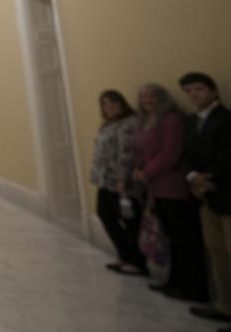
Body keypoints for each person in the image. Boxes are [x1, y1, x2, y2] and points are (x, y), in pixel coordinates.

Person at [132, 82, 209, 303]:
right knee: (172, 238)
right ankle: (176, 281)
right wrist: (137, 169)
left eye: (152, 96)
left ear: (162, 97)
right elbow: (140, 149)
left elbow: (171, 153)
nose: (148, 100)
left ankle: (194, 288)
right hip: (155, 188)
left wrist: (146, 171)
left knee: (186, 240)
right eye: (143, 97)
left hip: (173, 187)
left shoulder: (172, 119)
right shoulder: (146, 121)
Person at [180, 72, 231, 328]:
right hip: (205, 197)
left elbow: (227, 158)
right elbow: (186, 155)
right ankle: (224, 306)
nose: (193, 95)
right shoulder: (191, 122)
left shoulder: (226, 120)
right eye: (188, 90)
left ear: (213, 91)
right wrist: (192, 177)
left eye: (198, 89)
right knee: (217, 253)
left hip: (225, 194)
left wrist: (208, 180)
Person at [90, 90, 146, 275]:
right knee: (105, 215)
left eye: (113, 102)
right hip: (105, 180)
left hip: (122, 181)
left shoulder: (129, 123)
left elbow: (126, 153)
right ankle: (123, 254)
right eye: (104, 104)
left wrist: (122, 178)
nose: (109, 107)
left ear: (121, 103)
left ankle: (137, 261)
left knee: (130, 221)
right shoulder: (107, 125)